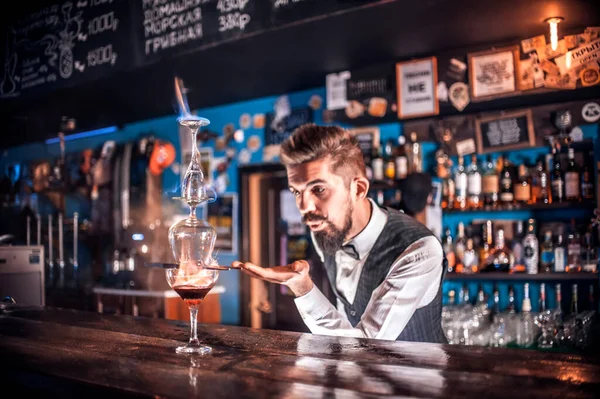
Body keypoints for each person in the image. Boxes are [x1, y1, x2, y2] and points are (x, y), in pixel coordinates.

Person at [232, 124, 447, 342]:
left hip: (419, 375)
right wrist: (298, 282)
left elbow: (367, 343)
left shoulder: (419, 250)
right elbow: (346, 325)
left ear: (358, 189)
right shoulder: (324, 231)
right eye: (297, 191)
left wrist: (303, 289)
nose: (304, 206)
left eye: (318, 189)